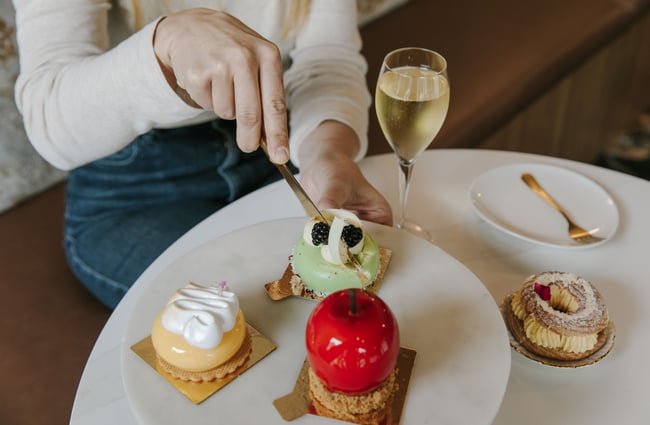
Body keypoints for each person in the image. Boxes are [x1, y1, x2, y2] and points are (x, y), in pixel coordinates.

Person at [12, 0, 393, 309]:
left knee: (351, 295)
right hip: (132, 188)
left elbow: (328, 60)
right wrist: (164, 45)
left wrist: (328, 152)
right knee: (245, 322)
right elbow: (50, 121)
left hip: (273, 148)